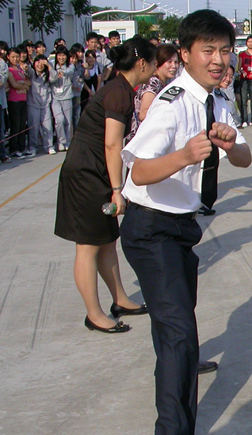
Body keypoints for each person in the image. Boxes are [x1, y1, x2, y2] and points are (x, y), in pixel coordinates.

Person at [119, 10, 251, 435]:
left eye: (223, 50)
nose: (217, 59)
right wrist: (182, 156)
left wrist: (231, 143)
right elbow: (139, 170)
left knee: (176, 327)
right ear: (186, 55)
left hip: (180, 228)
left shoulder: (218, 100)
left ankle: (178, 373)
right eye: (207, 50)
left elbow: (246, 159)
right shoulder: (173, 102)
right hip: (149, 227)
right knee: (179, 334)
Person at [54, 37, 157, 335]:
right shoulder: (118, 94)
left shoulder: (121, 88)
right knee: (87, 246)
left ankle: (120, 299)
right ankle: (94, 314)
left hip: (96, 171)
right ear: (141, 64)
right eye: (152, 63)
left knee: (107, 238)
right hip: (85, 173)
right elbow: (112, 144)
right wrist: (116, 189)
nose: (153, 69)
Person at [128, 43, 180, 141]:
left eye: (176, 62)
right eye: (169, 62)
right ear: (159, 62)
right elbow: (143, 114)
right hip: (143, 139)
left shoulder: (166, 82)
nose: (174, 66)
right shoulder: (154, 82)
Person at [7, 47, 31, 158]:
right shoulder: (9, 70)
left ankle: (22, 147)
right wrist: (24, 85)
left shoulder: (21, 69)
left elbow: (29, 82)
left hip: (23, 99)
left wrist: (23, 83)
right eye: (13, 57)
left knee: (22, 125)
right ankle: (14, 149)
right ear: (8, 57)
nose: (15, 59)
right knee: (15, 125)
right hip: (14, 100)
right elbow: (14, 84)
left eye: (17, 56)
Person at [50, 45, 75, 151]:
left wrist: (63, 72)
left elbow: (70, 72)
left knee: (68, 121)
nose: (61, 57)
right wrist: (55, 75)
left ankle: (68, 142)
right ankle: (61, 141)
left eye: (63, 55)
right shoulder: (52, 66)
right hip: (55, 98)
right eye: (59, 55)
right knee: (59, 120)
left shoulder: (70, 66)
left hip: (67, 97)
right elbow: (51, 79)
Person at [237, 35, 252, 127]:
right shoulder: (242, 54)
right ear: (246, 43)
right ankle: (244, 119)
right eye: (249, 42)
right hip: (244, 79)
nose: (250, 43)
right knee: (243, 100)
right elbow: (239, 67)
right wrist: (242, 71)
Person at [0, 41, 10, 162]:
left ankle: (2, 154)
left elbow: (2, 81)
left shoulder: (1, 63)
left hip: (0, 102)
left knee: (0, 130)